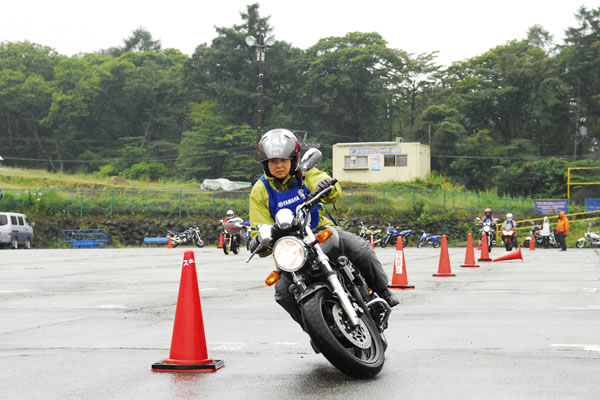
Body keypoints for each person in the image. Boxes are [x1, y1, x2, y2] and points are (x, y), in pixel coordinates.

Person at [249, 129, 398, 326]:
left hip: (318, 231)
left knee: (359, 248)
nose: (279, 165)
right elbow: (257, 229)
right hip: (291, 249)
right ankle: (312, 329)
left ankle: (383, 292)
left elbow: (329, 189)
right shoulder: (260, 190)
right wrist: (259, 240)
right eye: (273, 161)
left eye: (284, 160)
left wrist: (325, 185)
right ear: (265, 164)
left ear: (294, 160)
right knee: (283, 293)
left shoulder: (306, 173)